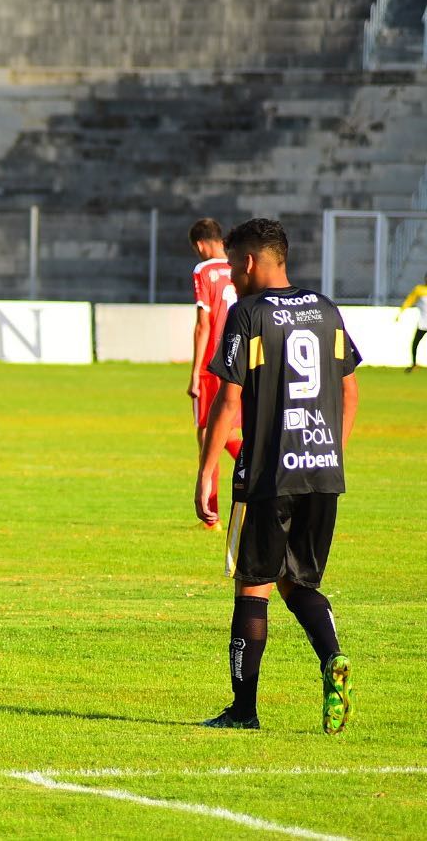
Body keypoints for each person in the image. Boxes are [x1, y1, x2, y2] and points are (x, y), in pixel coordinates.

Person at [195, 218, 359, 734]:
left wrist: (205, 470)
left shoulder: (247, 313)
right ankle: (332, 658)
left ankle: (243, 711)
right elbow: (351, 393)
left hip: (267, 474)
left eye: (234, 265)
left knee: (254, 587)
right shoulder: (326, 310)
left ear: (246, 262)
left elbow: (227, 398)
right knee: (299, 582)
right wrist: (330, 452)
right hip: (321, 471)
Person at [186, 218, 242, 531]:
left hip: (212, 364)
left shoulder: (203, 271)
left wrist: (195, 374)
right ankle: (263, 473)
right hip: (237, 360)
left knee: (207, 434)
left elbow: (203, 324)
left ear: (199, 244)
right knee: (227, 431)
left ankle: (211, 514)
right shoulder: (238, 265)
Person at [395, 274, 427, 373]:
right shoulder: (419, 290)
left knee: (415, 343)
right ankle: (414, 364)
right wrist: (401, 311)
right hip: (423, 323)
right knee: (415, 343)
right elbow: (410, 300)